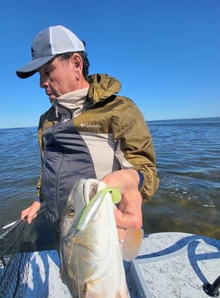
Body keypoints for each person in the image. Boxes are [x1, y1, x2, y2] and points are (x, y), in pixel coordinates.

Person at [16, 25, 159, 244]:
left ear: (76, 64)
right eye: (39, 75)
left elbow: (146, 172)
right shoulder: (46, 120)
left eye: (47, 71)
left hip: (102, 232)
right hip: (60, 227)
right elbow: (47, 167)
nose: (41, 83)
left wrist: (131, 179)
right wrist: (38, 200)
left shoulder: (119, 110)